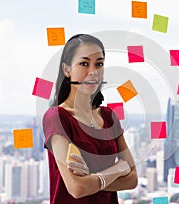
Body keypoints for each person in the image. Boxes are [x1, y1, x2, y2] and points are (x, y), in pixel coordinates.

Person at [43, 34, 138, 203]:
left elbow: (132, 179)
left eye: (99, 64)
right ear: (67, 70)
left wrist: (91, 179)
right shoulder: (57, 117)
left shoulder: (109, 116)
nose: (93, 72)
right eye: (84, 63)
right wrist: (117, 169)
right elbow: (77, 189)